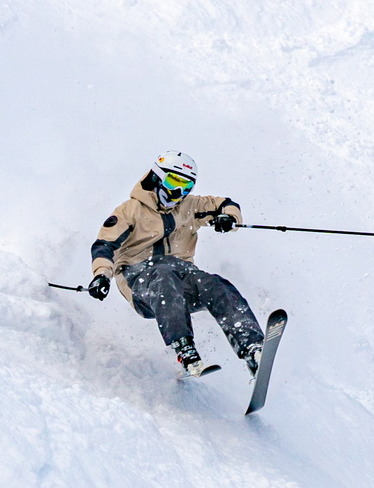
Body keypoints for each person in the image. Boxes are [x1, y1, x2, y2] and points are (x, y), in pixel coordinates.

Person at [87, 151, 264, 377]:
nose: (178, 192)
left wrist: (229, 218)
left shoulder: (189, 205)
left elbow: (226, 205)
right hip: (141, 282)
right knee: (164, 274)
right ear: (157, 178)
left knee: (216, 284)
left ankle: (251, 347)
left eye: (186, 186)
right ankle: (184, 348)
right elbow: (104, 244)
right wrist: (101, 275)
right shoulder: (130, 211)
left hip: (182, 277)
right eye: (174, 182)